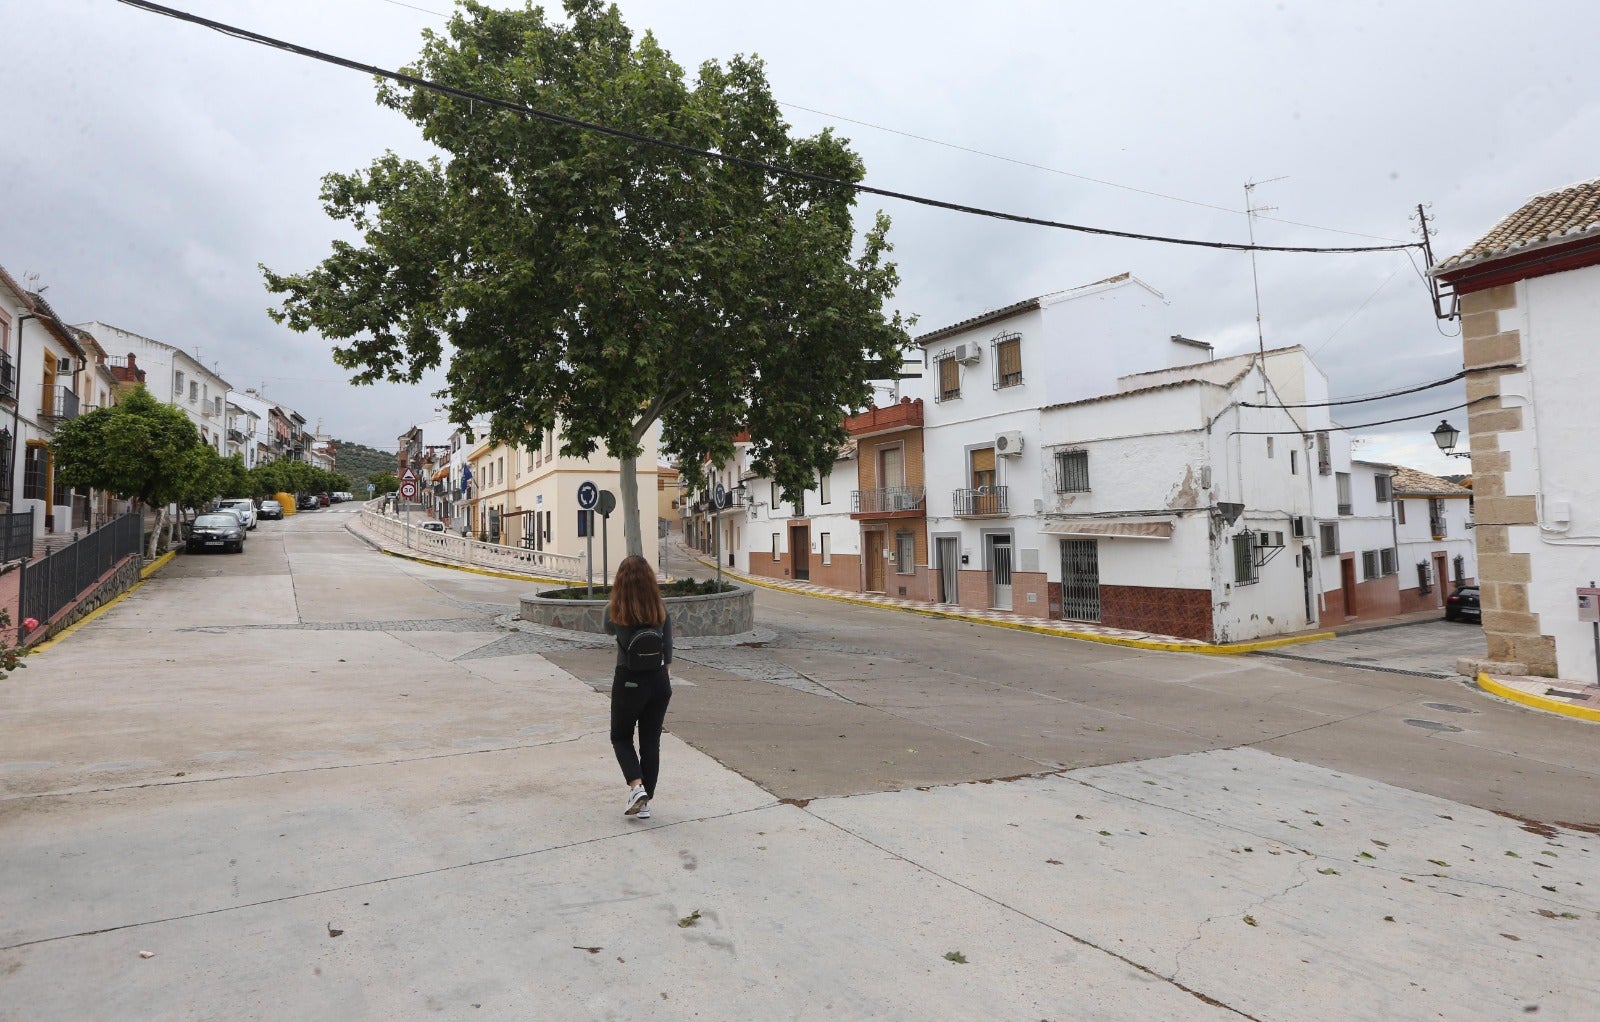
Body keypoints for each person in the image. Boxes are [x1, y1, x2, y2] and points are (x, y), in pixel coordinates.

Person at [604, 554, 673, 820]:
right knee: (650, 743)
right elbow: (668, 652)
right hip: (659, 682)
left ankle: (636, 787)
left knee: (620, 736)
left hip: (628, 680)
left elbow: (607, 630)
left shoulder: (615, 610)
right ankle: (645, 802)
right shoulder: (661, 609)